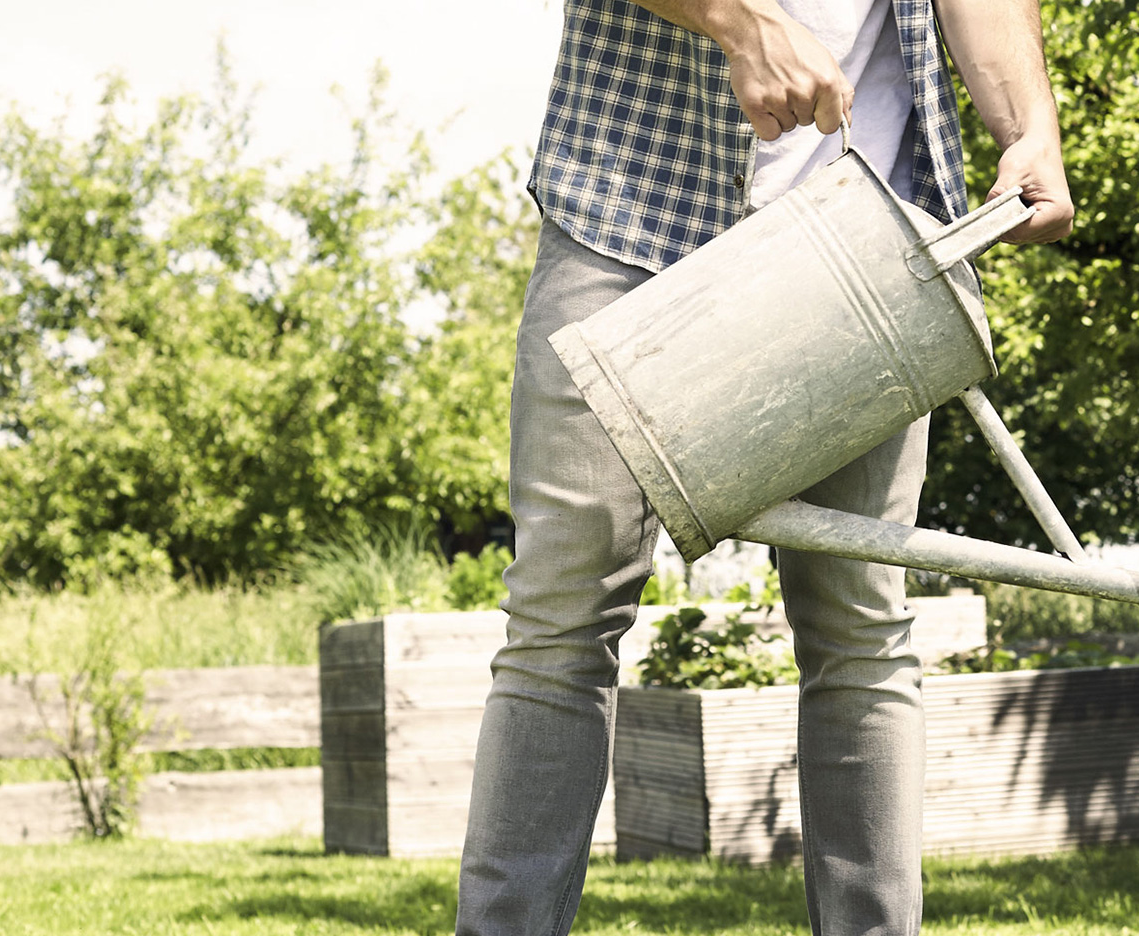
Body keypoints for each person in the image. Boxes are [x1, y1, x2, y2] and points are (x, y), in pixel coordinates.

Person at [454, 0, 1073, 931]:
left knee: (861, 628)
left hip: (865, 236)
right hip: (630, 199)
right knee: (561, 615)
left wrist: (1030, 127)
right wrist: (742, 22)